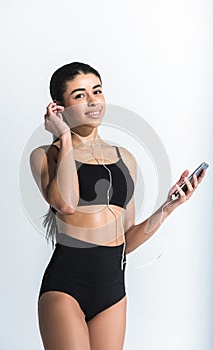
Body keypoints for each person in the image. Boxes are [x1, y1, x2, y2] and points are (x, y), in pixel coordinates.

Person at [29, 62, 206, 350]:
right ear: (59, 108)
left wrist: (168, 207)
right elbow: (67, 203)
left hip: (112, 290)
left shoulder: (126, 158)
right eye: (79, 95)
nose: (92, 100)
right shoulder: (45, 156)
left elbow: (126, 239)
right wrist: (64, 136)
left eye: (96, 91)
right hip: (65, 288)